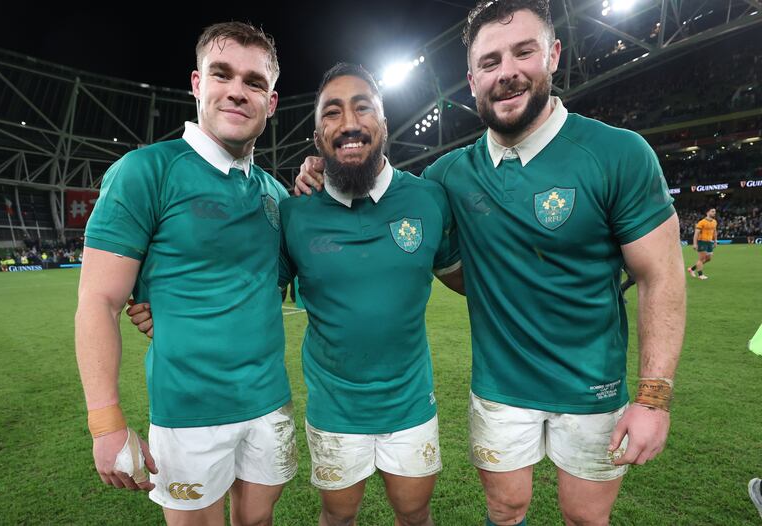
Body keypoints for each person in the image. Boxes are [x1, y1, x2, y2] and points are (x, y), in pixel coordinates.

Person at [295, 2, 686, 524]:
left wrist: (654, 399)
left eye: (524, 52)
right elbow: (392, 198)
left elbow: (660, 275)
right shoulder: (447, 177)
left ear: (553, 55)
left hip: (595, 386)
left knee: (586, 518)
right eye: (490, 61)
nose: (508, 72)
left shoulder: (619, 154)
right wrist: (323, 165)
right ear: (472, 78)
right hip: (500, 389)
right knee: (505, 510)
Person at [130, 62, 464, 526]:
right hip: (335, 409)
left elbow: (468, 278)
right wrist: (162, 305)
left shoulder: (429, 199)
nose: (348, 122)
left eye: (363, 107)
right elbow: (248, 284)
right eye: (331, 112)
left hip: (411, 405)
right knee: (337, 516)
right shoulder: (295, 214)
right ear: (317, 136)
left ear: (384, 122)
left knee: (414, 513)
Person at [75, 22, 296, 526]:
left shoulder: (276, 195)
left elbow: (279, 283)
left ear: (272, 100)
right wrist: (106, 423)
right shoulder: (145, 171)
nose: (238, 90)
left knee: (258, 521)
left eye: (254, 82)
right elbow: (99, 300)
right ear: (198, 84)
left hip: (270, 402)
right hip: (188, 414)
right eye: (222, 74)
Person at [688, 207, 718, 280]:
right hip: (702, 242)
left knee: (708, 259)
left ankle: (692, 269)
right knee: (701, 259)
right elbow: (696, 234)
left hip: (709, 242)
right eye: (712, 211)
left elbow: (714, 232)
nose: (714, 213)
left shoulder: (714, 222)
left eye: (714, 211)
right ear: (707, 212)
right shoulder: (701, 222)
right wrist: (695, 244)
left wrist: (715, 241)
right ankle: (700, 275)